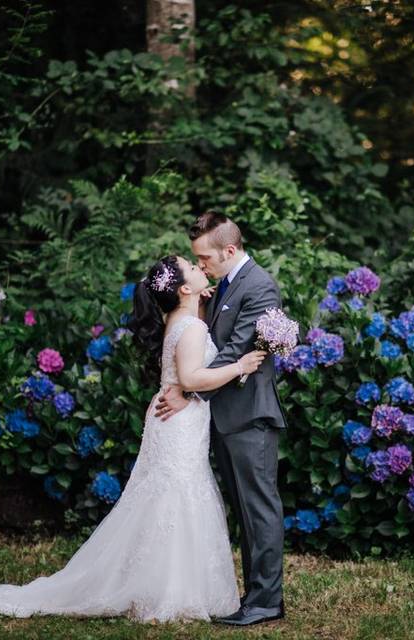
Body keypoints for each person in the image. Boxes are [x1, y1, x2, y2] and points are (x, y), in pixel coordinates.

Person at [0, 254, 266, 623]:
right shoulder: (193, 327)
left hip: (172, 419)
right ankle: (171, 593)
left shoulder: (178, 319)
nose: (203, 270)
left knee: (167, 497)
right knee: (178, 496)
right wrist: (239, 366)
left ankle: (161, 584)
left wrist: (201, 294)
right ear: (184, 288)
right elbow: (193, 380)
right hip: (179, 420)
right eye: (195, 269)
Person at [156, 211, 288, 626]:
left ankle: (266, 601)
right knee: (245, 509)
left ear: (230, 250)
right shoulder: (227, 284)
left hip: (249, 416)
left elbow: (236, 351)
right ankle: (255, 595)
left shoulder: (260, 286)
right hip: (224, 417)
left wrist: (187, 389)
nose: (201, 267)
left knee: (259, 508)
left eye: (205, 258)